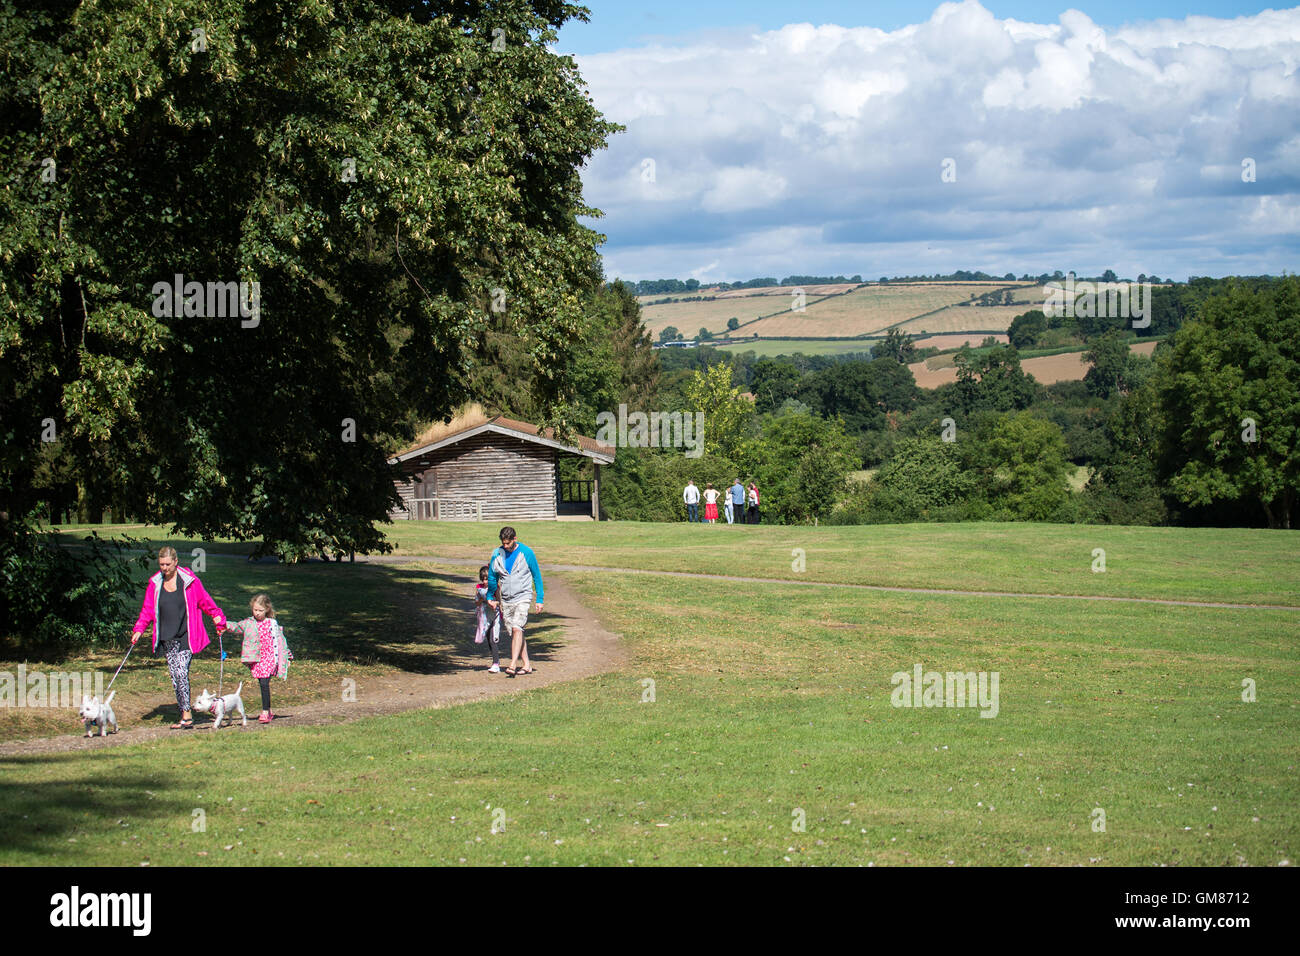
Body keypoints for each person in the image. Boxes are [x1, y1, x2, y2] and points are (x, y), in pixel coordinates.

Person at [130, 546, 227, 729]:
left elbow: (204, 600)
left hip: (186, 635)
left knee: (182, 672)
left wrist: (218, 619)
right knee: (175, 676)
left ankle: (187, 715)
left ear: (176, 562)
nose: (164, 568)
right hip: (167, 636)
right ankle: (184, 712)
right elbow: (147, 610)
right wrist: (139, 629)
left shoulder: (189, 581)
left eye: (167, 564)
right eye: (161, 565)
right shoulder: (155, 583)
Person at [226, 593, 293, 723]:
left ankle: (265, 712)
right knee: (262, 683)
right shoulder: (249, 623)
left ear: (267, 609)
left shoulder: (272, 624)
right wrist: (223, 624)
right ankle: (268, 709)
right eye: (255, 610)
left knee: (264, 683)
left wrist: (287, 658)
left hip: (270, 658)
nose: (257, 613)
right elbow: (236, 627)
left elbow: (281, 641)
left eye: (260, 610)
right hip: (257, 658)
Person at [487, 527, 544, 677]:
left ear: (515, 539)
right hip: (506, 599)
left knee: (517, 627)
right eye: (503, 543)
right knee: (515, 631)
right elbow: (492, 577)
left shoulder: (527, 553)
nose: (505, 546)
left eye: (508, 543)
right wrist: (490, 597)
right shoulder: (497, 554)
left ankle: (512, 664)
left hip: (523, 596)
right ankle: (527, 665)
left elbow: (536, 576)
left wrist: (539, 599)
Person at [474, 564, 504, 673]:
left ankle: (496, 664)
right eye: (483, 579)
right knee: (488, 639)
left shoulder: (495, 587)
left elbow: (499, 601)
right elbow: (476, 602)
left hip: (494, 616)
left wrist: (495, 603)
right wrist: (482, 600)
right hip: (484, 617)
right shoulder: (479, 588)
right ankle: (495, 661)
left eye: (487, 579)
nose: (485, 582)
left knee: (493, 639)